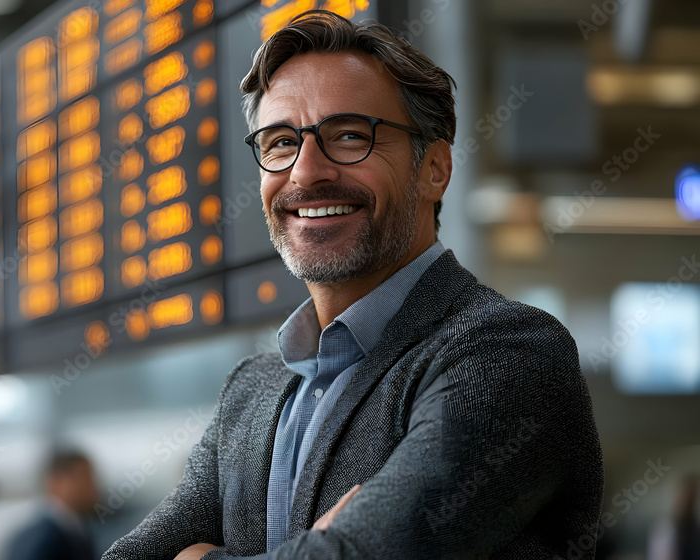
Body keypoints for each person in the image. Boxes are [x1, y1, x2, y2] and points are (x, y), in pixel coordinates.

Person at [103, 10, 604, 559]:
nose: (305, 172)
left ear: (434, 169)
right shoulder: (253, 389)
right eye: (278, 143)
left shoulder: (508, 354)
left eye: (348, 136)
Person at [6, 450, 99, 560]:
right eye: (85, 478)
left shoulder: (75, 529)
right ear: (56, 482)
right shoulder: (42, 538)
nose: (94, 487)